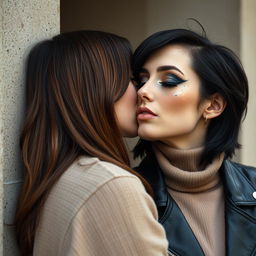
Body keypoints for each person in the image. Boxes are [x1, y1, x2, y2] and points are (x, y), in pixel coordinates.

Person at [15, 30, 169, 256]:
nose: (141, 92)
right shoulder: (111, 185)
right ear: (94, 89)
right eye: (131, 79)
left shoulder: (59, 180)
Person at [133, 28, 256, 256]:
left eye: (168, 80)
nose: (143, 91)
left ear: (213, 105)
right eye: (141, 80)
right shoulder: (127, 194)